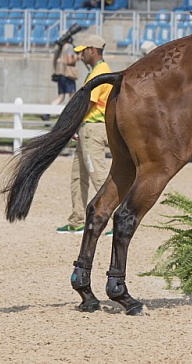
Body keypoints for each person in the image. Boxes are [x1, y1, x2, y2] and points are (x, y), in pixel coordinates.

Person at [57, 35, 112, 234]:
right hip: (88, 128)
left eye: (83, 51)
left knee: (97, 174)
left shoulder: (100, 72)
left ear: (93, 50)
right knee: (78, 177)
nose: (80, 55)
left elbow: (89, 102)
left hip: (92, 129)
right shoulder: (98, 71)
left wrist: (74, 122)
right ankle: (76, 220)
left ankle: (111, 222)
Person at [51, 38, 77, 109]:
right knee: (72, 95)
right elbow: (69, 60)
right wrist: (78, 58)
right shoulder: (69, 46)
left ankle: (47, 112)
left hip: (60, 73)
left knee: (61, 96)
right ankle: (70, 113)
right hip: (68, 74)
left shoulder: (59, 47)